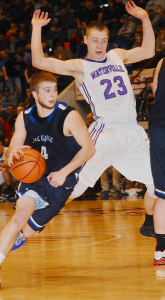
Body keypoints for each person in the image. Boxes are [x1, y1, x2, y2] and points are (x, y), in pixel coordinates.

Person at [29, 1, 156, 238]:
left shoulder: (117, 56)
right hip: (106, 133)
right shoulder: (80, 66)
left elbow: (148, 51)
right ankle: (35, 217)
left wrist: (145, 18)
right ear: (85, 40)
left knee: (158, 182)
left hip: (132, 132)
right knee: (75, 187)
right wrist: (37, 28)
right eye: (95, 40)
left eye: (104, 40)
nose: (100, 45)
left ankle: (150, 223)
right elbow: (40, 62)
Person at [0, 71, 95, 290]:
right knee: (20, 216)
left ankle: (26, 233)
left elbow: (89, 149)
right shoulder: (24, 116)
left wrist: (64, 172)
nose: (53, 94)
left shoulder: (69, 116)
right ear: (34, 94)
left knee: (28, 230)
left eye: (55, 90)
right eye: (47, 91)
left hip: (62, 181)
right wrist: (13, 151)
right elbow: (15, 144)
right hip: (34, 177)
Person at [148, 58, 165, 265]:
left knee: (163, 192)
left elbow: (155, 88)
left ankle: (161, 251)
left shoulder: (162, 61)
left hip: (159, 125)